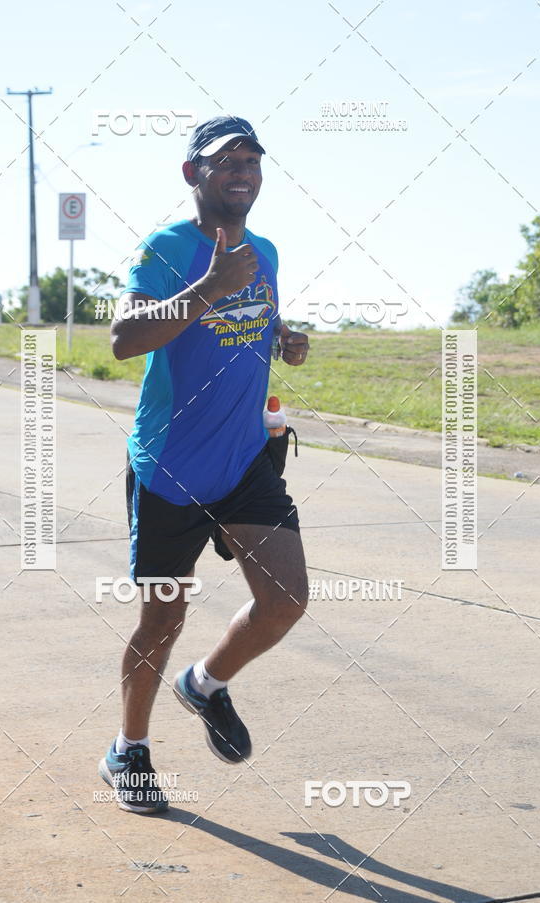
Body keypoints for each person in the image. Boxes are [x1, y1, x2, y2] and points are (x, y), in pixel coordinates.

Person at [99, 115, 310, 813]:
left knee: (285, 600)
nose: (242, 170)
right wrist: (211, 286)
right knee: (163, 618)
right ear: (194, 174)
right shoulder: (166, 248)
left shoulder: (267, 251)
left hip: (246, 457)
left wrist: (282, 332)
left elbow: (253, 311)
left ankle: (207, 683)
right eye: (226, 161)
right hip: (171, 466)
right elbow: (125, 338)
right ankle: (128, 749)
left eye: (252, 159)